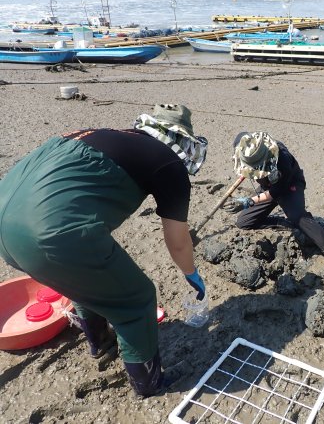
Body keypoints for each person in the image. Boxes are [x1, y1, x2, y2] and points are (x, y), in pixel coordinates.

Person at [0, 104, 208, 397]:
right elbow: (178, 241)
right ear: (182, 142)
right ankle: (149, 384)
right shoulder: (168, 163)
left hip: (5, 224)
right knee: (137, 299)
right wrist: (191, 273)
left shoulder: (100, 134)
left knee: (82, 279)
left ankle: (100, 343)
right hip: (50, 232)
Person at [223, 131, 324, 269]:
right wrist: (247, 163)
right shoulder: (247, 146)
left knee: (298, 217)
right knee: (243, 222)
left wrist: (248, 201)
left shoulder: (282, 159)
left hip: (289, 186)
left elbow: (276, 192)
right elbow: (241, 136)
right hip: (267, 186)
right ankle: (284, 223)